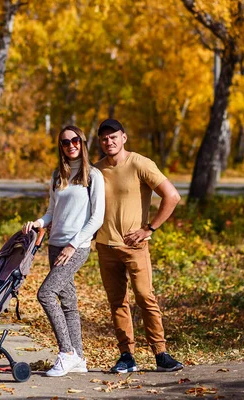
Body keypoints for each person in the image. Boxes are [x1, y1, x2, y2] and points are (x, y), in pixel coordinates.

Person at [94, 118, 184, 373]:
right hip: (104, 246)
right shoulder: (96, 170)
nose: (108, 142)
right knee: (117, 302)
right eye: (104, 138)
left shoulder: (140, 163)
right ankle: (126, 356)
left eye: (113, 137)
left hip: (134, 247)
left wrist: (149, 228)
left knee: (145, 297)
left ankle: (161, 354)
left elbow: (172, 196)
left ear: (124, 137)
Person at [22, 125, 105, 377]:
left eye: (75, 141)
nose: (71, 145)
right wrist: (39, 223)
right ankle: (78, 358)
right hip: (54, 244)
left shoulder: (94, 176)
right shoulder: (58, 175)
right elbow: (51, 211)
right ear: (61, 147)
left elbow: (97, 218)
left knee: (46, 293)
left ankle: (66, 352)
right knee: (68, 301)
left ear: (82, 143)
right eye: (65, 142)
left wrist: (73, 244)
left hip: (76, 247)